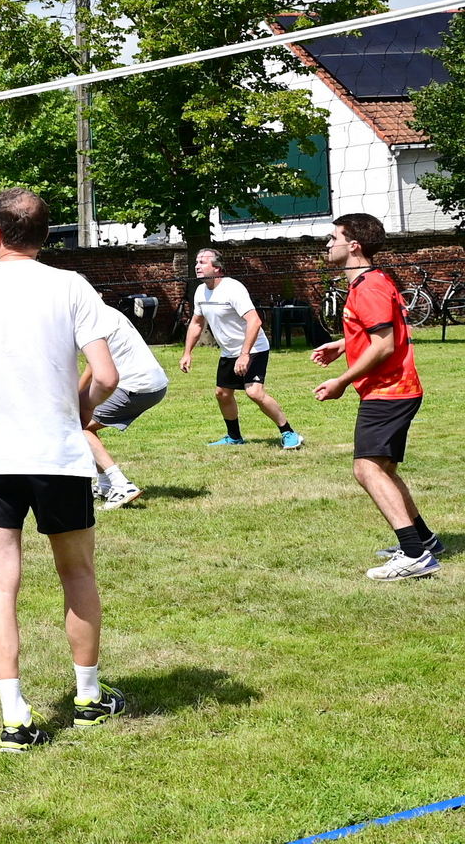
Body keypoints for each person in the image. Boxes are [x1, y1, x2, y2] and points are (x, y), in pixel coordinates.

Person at [0, 188, 126, 753]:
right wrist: (81, 409)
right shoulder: (71, 285)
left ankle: (14, 717)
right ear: (45, 234)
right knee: (77, 574)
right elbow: (107, 375)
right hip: (56, 454)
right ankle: (87, 698)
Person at [310, 214, 442, 581]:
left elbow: (384, 346)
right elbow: (381, 330)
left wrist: (341, 381)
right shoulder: (372, 280)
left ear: (353, 245)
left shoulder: (368, 286)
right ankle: (425, 541)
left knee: (366, 469)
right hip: (394, 390)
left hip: (389, 391)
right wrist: (343, 344)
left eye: (333, 237)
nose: (327, 244)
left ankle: (415, 555)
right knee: (383, 469)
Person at [179, 249, 303, 450]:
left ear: (217, 268)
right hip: (229, 352)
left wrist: (245, 354)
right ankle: (234, 437)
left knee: (254, 392)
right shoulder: (200, 291)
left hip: (254, 348)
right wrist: (187, 353)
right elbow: (196, 323)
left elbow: (255, 321)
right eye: (196, 262)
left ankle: (289, 433)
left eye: (202, 262)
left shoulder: (233, 289)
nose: (197, 266)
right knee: (222, 394)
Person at [84, 305, 170, 510]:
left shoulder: (89, 319)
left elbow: (92, 367)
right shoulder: (106, 312)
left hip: (137, 387)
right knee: (87, 425)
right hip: (154, 383)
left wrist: (73, 397)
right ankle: (105, 485)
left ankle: (121, 485)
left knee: (79, 426)